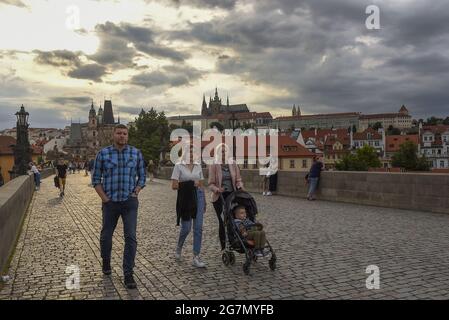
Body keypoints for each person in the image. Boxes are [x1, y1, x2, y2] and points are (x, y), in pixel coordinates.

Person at [92, 124, 146, 289]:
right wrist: (105, 199)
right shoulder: (103, 153)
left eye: (124, 133)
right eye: (119, 133)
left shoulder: (135, 153)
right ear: (113, 135)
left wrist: (136, 190)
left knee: (131, 237)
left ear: (127, 136)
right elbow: (95, 180)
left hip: (129, 202)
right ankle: (106, 261)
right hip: (110, 203)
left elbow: (142, 176)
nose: (122, 136)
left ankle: (128, 273)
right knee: (106, 236)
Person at [171, 143, 207, 268]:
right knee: (186, 228)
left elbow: (201, 185)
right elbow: (174, 186)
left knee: (198, 228)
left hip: (199, 197)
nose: (191, 155)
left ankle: (196, 257)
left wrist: (204, 201)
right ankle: (179, 247)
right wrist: (190, 184)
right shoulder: (178, 166)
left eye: (193, 152)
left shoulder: (198, 166)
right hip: (185, 198)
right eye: (189, 152)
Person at [208, 143, 244, 251]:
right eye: (222, 151)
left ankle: (233, 242)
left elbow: (238, 180)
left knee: (231, 220)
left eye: (225, 151)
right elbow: (210, 184)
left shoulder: (233, 164)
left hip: (231, 196)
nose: (224, 153)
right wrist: (217, 189)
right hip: (219, 197)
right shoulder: (214, 165)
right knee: (222, 221)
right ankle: (223, 246)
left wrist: (240, 186)